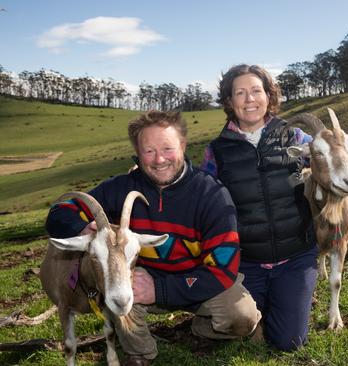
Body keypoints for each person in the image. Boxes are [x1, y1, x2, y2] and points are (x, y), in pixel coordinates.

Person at [46, 110, 260, 366]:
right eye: (148, 151)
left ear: (182, 146)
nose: (159, 160)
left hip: (199, 280)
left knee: (242, 318)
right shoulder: (121, 187)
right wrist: (82, 228)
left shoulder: (212, 195)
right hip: (141, 282)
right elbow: (59, 212)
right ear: (137, 153)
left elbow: (223, 270)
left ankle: (202, 328)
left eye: (167, 148)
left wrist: (160, 289)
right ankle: (140, 352)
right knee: (117, 286)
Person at [201, 64, 317, 351]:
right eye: (240, 93)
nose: (249, 99)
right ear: (229, 102)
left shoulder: (297, 138)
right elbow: (200, 198)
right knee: (241, 322)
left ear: (269, 96)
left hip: (296, 257)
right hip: (246, 261)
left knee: (289, 341)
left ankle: (283, 304)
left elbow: (331, 163)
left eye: (256, 91)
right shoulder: (216, 151)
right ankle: (209, 316)